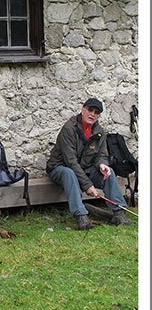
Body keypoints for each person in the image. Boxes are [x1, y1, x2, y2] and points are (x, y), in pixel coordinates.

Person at [46, 98, 133, 230]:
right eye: (90, 110)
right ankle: (81, 217)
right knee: (69, 173)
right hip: (60, 168)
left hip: (84, 169)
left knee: (109, 173)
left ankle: (119, 213)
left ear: (99, 116)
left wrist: (102, 165)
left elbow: (101, 155)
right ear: (83, 110)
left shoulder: (99, 132)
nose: (92, 114)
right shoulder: (69, 129)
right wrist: (88, 185)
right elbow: (71, 162)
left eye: (96, 112)